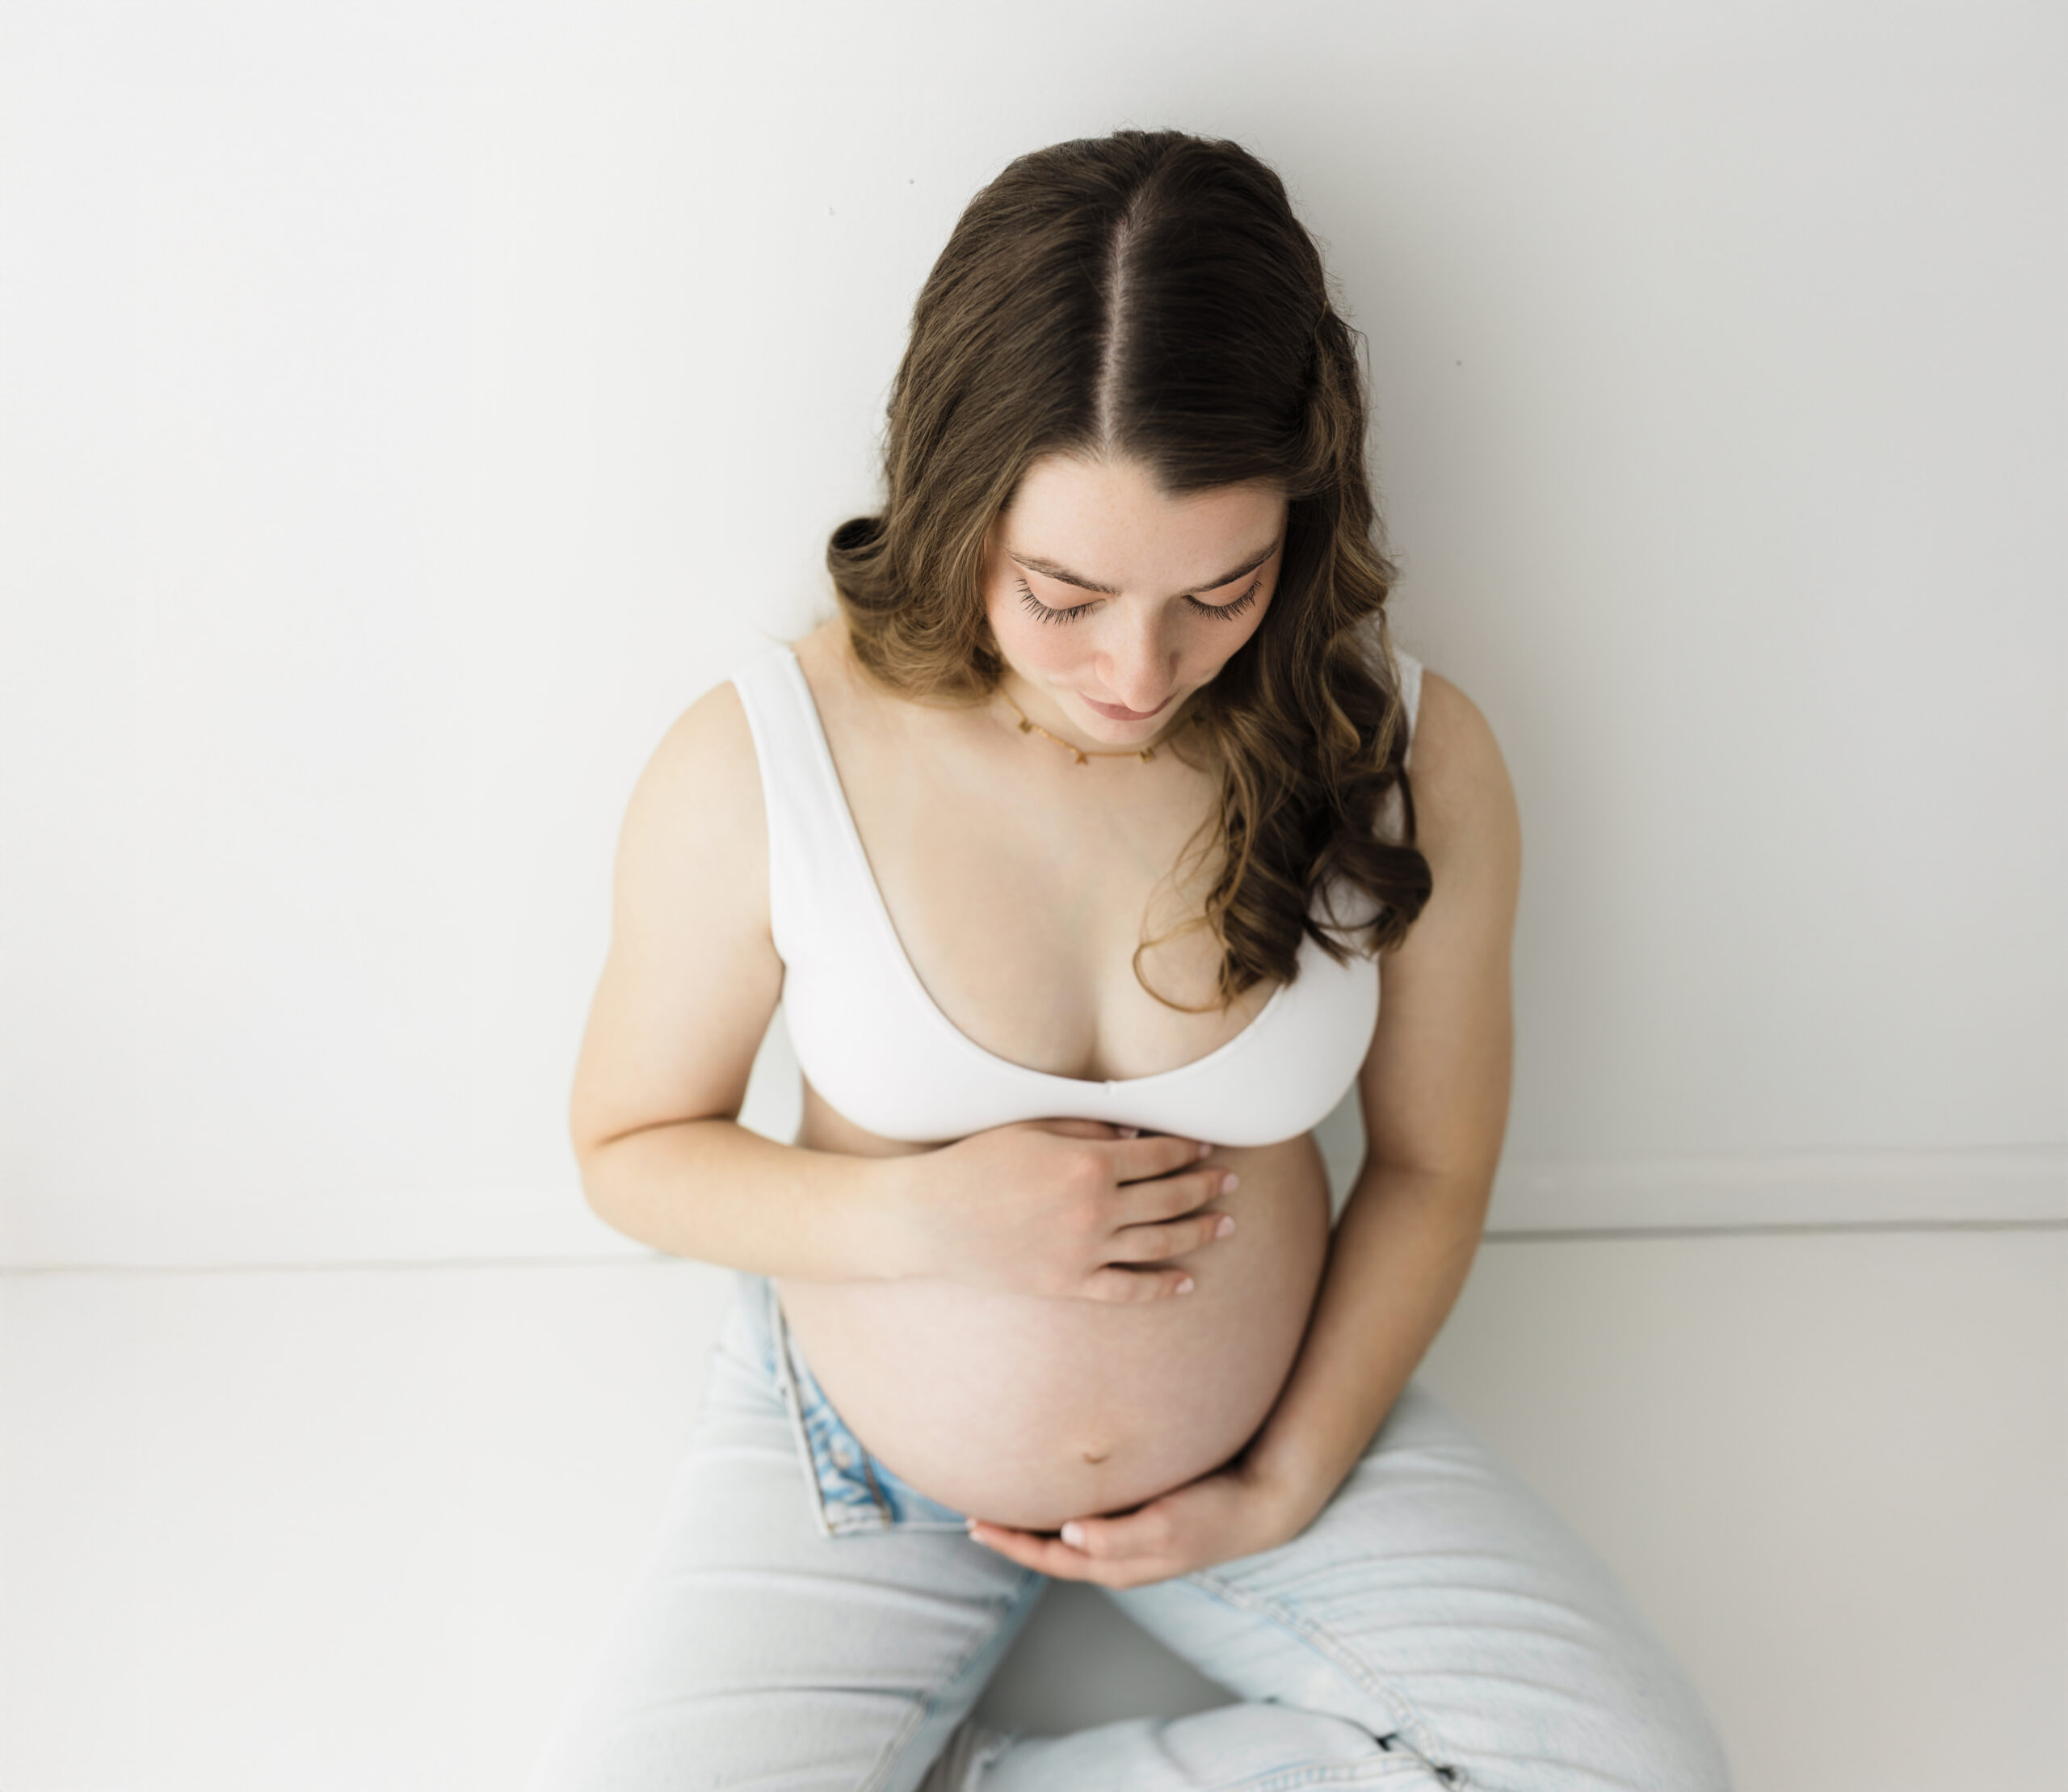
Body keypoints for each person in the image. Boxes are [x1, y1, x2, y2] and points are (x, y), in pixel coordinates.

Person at [530, 130, 1731, 1792]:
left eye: (1219, 590)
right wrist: (923, 1214)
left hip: (1257, 1432)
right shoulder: (765, 757)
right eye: (1064, 592)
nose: (1137, 666)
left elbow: (1432, 1162)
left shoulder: (1400, 751)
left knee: (1630, 1775)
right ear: (958, 501)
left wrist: (1286, 1470)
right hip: (865, 1454)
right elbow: (626, 1151)